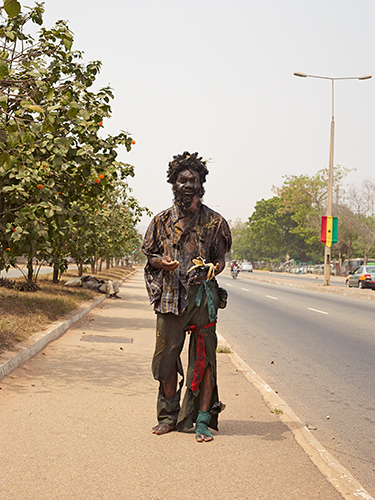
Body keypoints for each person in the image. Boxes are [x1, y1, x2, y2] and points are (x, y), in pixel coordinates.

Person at [142, 151, 232, 443]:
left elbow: (220, 260)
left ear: (202, 183)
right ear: (174, 184)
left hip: (203, 300)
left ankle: (201, 420)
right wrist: (161, 263)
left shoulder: (215, 222)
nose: (189, 184)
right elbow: (151, 256)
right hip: (170, 298)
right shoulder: (160, 221)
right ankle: (168, 416)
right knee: (165, 360)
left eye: (194, 179)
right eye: (183, 180)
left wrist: (211, 269)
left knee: (204, 361)